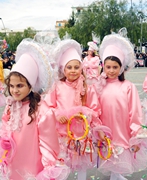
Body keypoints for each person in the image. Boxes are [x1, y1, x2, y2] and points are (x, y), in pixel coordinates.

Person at [0, 38, 69, 180]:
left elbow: (48, 143)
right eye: (11, 86)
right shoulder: (10, 105)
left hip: (33, 163)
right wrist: (4, 138)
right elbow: (5, 125)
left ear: (30, 86)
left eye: (20, 86)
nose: (14, 91)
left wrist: (49, 167)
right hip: (13, 158)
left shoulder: (42, 111)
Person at [96, 33, 147, 180]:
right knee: (109, 153)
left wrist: (136, 132)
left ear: (121, 68)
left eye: (115, 67)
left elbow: (135, 111)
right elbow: (95, 108)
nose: (111, 70)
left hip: (122, 128)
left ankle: (116, 175)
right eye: (108, 66)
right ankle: (115, 174)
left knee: (120, 152)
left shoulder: (128, 86)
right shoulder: (99, 86)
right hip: (106, 128)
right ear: (103, 66)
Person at [44, 39, 102, 180]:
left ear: (81, 68)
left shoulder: (87, 87)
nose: (73, 71)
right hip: (63, 131)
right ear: (63, 69)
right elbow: (48, 105)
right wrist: (57, 114)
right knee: (65, 161)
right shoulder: (57, 86)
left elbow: (94, 107)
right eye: (69, 68)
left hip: (82, 132)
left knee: (81, 162)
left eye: (76, 67)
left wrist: (89, 116)